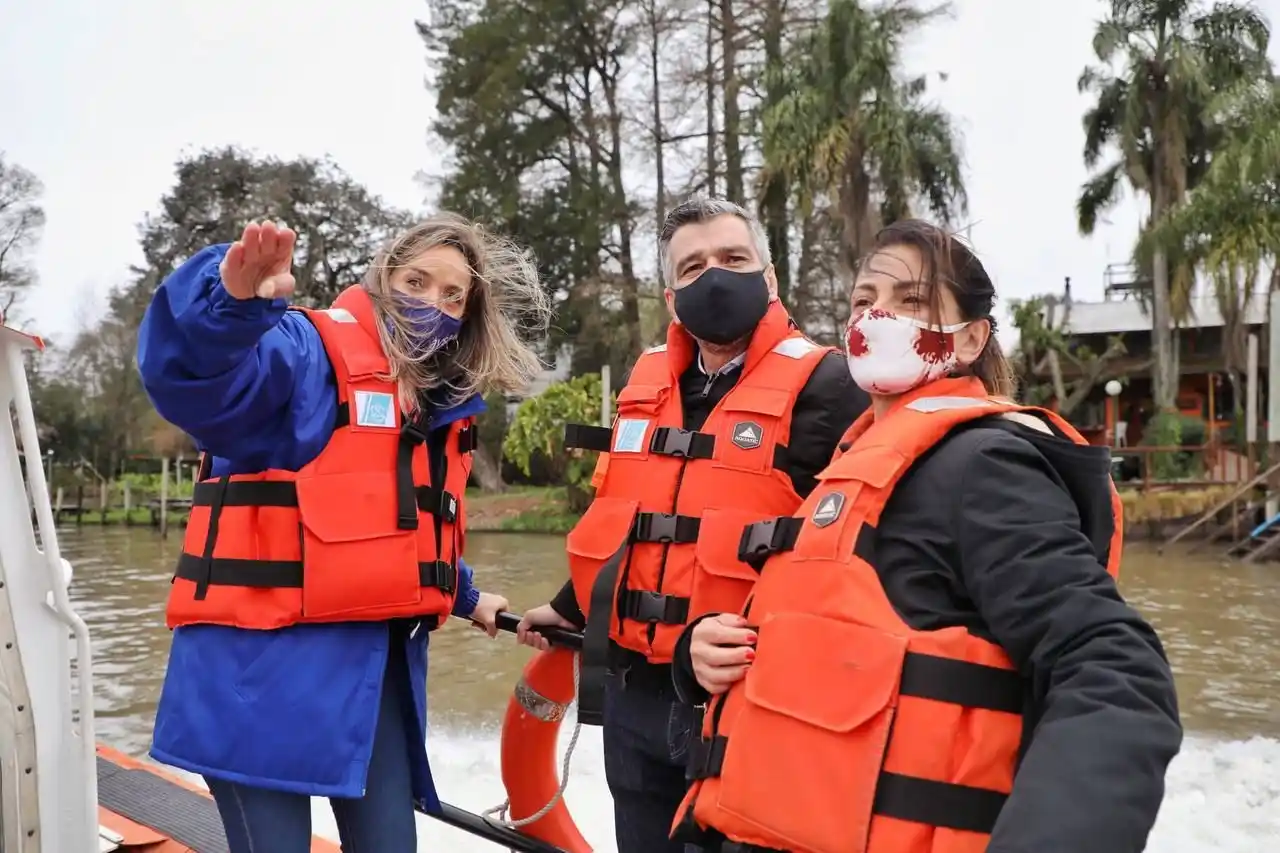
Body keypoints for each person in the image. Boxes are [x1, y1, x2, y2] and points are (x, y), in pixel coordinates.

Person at [669, 219, 1182, 853]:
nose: (877, 316)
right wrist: (701, 653)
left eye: (910, 301)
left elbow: (1115, 667)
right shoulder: (852, 461)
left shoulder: (987, 466)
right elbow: (833, 633)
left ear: (969, 339)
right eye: (863, 301)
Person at [136, 216, 551, 853]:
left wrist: (467, 596)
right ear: (384, 280)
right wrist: (230, 306)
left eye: (452, 296)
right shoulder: (303, 352)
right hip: (257, 679)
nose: (434, 305)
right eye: (417, 282)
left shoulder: (435, 407)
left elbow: (394, 531)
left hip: (369, 676)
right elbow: (199, 382)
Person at [516, 198, 870, 853]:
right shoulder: (646, 383)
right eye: (694, 265)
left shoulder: (830, 385)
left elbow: (852, 562)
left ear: (768, 277)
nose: (715, 276)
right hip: (632, 704)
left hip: (746, 704)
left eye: (733, 259)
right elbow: (622, 514)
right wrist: (567, 608)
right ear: (671, 295)